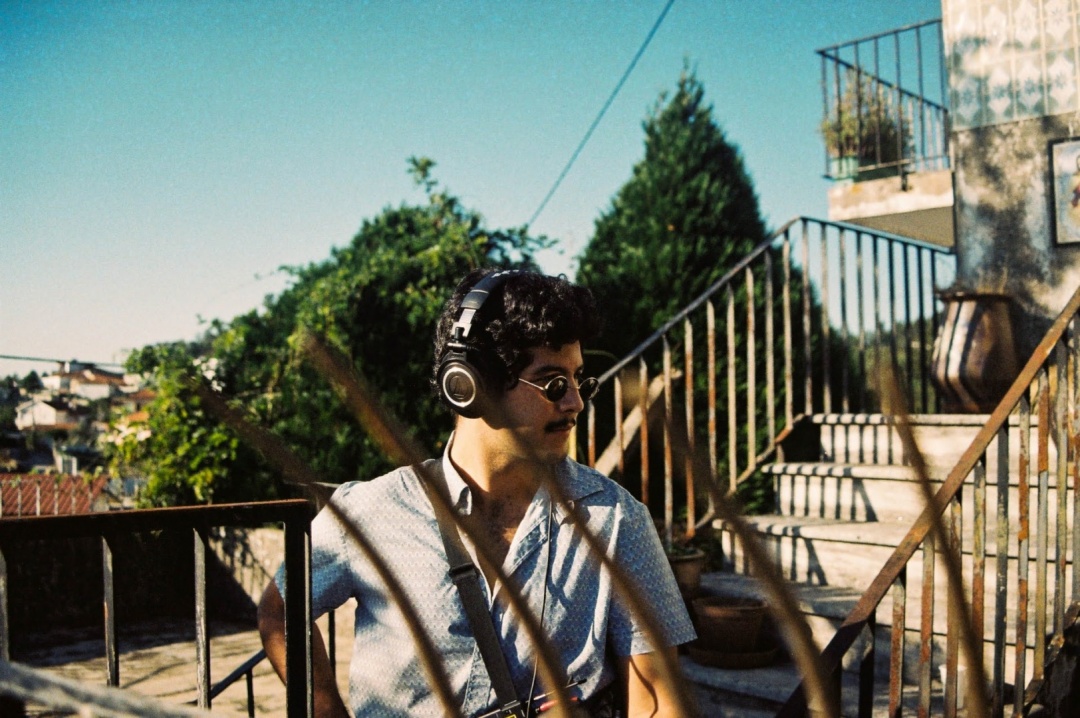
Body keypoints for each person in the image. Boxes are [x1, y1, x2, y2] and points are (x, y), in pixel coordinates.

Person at [258, 268, 696, 717]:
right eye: (553, 384)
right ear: (468, 384)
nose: (575, 403)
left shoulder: (617, 519)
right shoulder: (370, 511)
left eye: (578, 381)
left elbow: (659, 704)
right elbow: (280, 609)